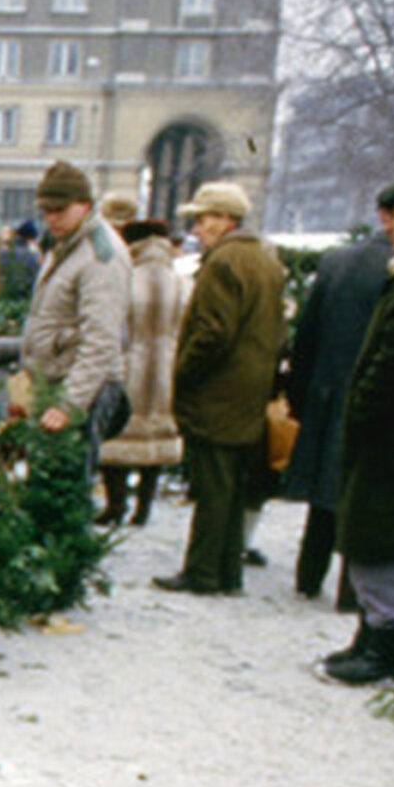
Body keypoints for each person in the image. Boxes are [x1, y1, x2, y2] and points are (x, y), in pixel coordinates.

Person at [320, 164, 394, 684]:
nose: (386, 229)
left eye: (393, 219)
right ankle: (370, 639)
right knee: (374, 539)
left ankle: (381, 650)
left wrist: (361, 412)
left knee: (380, 540)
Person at [154, 181, 286, 596]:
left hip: (218, 392)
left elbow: (212, 333)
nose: (197, 227)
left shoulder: (223, 262)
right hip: (248, 392)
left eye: (204, 218)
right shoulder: (265, 260)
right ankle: (228, 571)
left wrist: (184, 374)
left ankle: (203, 572)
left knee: (212, 485)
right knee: (231, 486)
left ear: (228, 219)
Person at [0, 160, 129, 447]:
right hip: (53, 387)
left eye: (59, 210)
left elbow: (101, 339)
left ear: (84, 205)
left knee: (68, 481)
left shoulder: (101, 257)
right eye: (46, 211)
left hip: (84, 392)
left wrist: (69, 404)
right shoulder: (64, 247)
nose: (51, 218)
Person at [283, 222, 393, 601]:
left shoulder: (337, 262)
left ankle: (309, 576)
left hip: (328, 393)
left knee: (324, 496)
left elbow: (306, 336)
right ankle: (351, 591)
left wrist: (300, 396)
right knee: (363, 495)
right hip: (380, 397)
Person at [98, 219, 185, 526]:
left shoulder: (125, 278)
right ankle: (144, 508)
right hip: (165, 369)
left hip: (129, 366)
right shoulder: (180, 282)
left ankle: (116, 505)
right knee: (155, 438)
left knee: (117, 435)